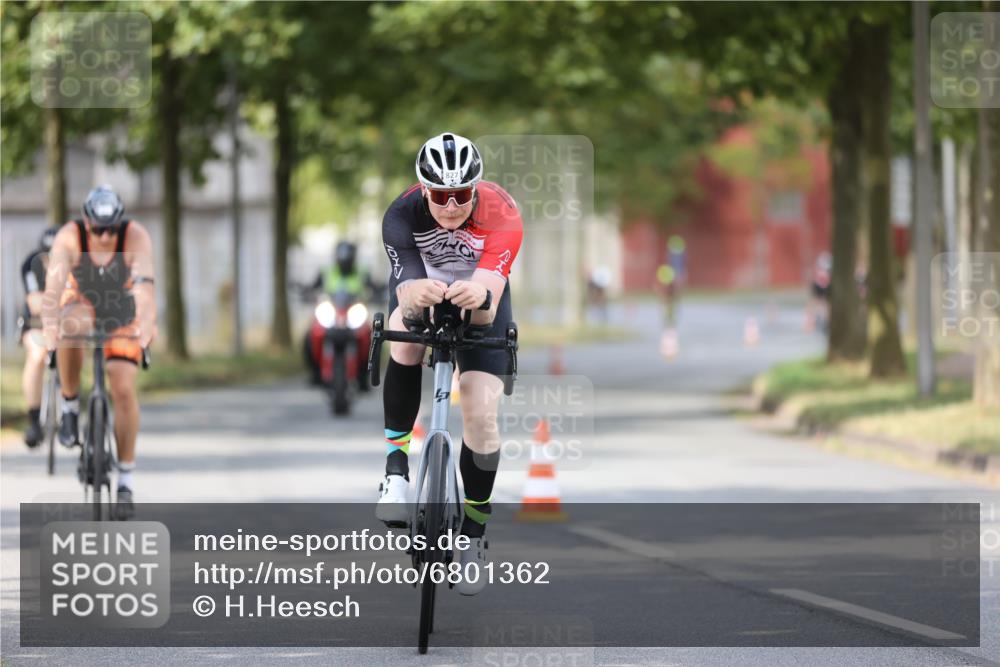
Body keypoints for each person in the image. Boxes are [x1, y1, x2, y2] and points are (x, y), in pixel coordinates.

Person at [375, 132, 523, 595]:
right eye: (441, 195)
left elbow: (488, 297)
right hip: (424, 287)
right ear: (424, 190)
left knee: (481, 418)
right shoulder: (401, 215)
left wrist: (477, 294)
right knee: (403, 333)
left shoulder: (502, 212)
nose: (452, 205)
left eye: (462, 194)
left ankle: (474, 535)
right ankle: (395, 472)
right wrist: (416, 295)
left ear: (475, 189)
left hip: (481, 295)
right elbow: (406, 288)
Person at [42, 185, 157, 519]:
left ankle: (125, 480)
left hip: (121, 308)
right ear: (86, 222)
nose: (105, 237)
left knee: (122, 387)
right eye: (98, 229)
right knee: (68, 327)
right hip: (83, 303)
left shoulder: (135, 237)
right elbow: (54, 284)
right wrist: (50, 323)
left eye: (111, 229)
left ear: (120, 223)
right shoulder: (70, 236)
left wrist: (147, 325)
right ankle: (69, 405)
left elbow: (146, 289)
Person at [19, 226, 60, 448]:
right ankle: (34, 420)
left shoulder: (76, 266)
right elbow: (34, 304)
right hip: (36, 324)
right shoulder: (30, 265)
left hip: (65, 324)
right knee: (36, 356)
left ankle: (70, 405)